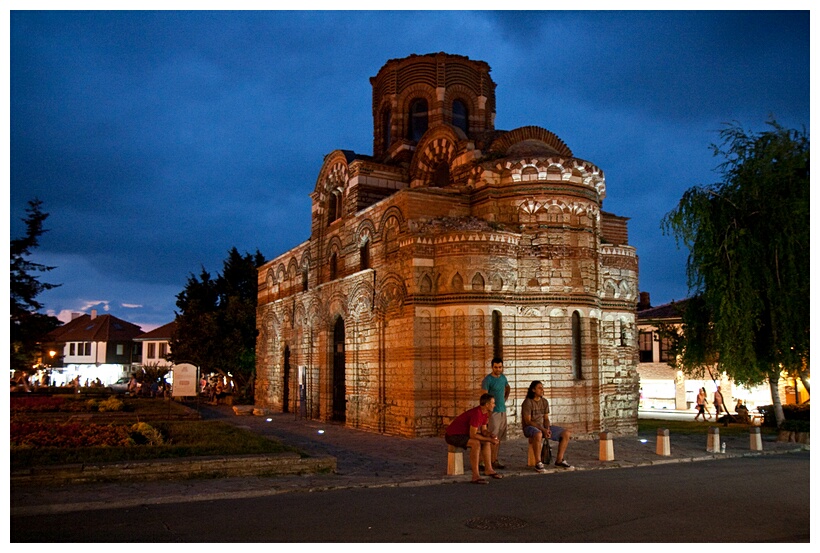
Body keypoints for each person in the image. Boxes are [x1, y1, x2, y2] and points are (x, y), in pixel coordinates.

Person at [444, 393, 504, 484]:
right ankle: (475, 475)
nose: (494, 405)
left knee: (486, 443)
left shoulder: (485, 413)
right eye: (493, 403)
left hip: (464, 434)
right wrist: (490, 440)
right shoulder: (477, 413)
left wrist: (489, 435)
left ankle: (489, 469)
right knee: (475, 443)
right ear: (487, 405)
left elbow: (484, 430)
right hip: (452, 435)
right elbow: (473, 435)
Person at [521, 380, 572, 471]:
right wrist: (542, 429)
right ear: (533, 390)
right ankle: (538, 462)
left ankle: (559, 460)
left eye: (542, 388)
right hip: (530, 428)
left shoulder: (544, 402)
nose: (542, 390)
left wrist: (547, 428)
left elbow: (546, 418)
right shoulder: (528, 402)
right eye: (539, 388)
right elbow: (528, 421)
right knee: (538, 434)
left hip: (542, 427)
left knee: (566, 433)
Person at [481, 357, 510, 470]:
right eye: (496, 367)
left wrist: (504, 398)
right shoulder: (488, 380)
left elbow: (508, 387)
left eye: (500, 367)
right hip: (493, 412)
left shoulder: (503, 377)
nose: (498, 369)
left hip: (502, 410)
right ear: (492, 367)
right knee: (492, 436)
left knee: (499, 438)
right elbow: (484, 397)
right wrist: (487, 411)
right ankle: (486, 461)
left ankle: (494, 459)